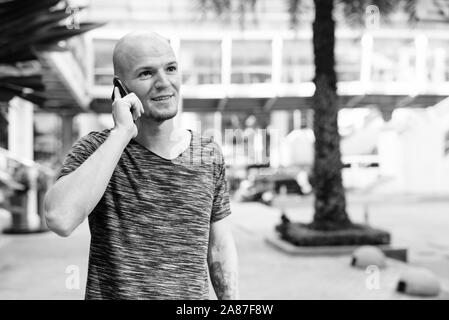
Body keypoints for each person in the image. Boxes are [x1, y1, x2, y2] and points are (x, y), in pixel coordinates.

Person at [43, 31, 238, 300]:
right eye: (146, 73)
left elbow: (219, 247)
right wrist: (122, 133)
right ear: (120, 88)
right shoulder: (98, 150)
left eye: (170, 68)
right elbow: (59, 219)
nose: (164, 82)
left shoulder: (207, 154)